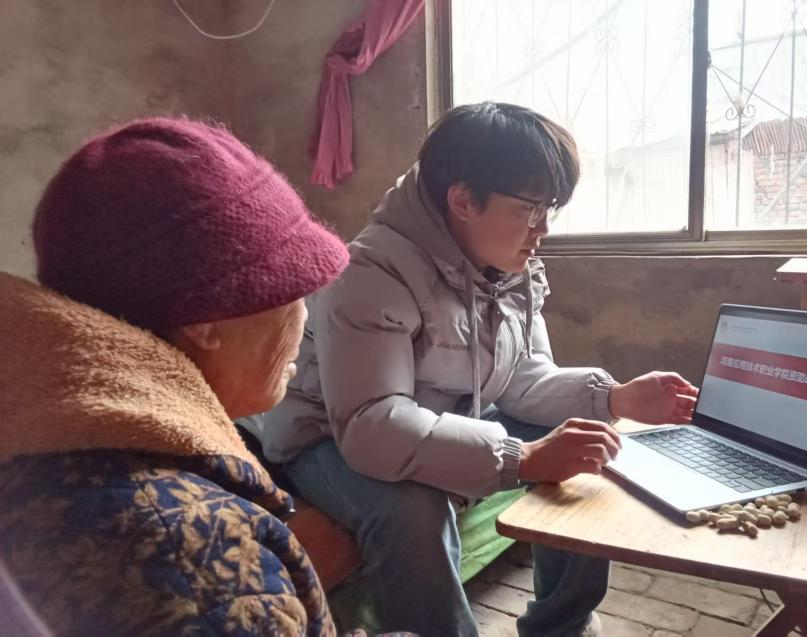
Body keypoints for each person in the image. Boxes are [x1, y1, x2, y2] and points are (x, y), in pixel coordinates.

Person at [255, 102, 699, 637]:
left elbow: (522, 378)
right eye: (530, 209)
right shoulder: (370, 274)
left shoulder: (508, 267)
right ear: (463, 200)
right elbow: (372, 424)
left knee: (586, 441)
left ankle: (562, 624)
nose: (543, 229)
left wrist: (614, 398)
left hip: (444, 413)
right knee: (413, 510)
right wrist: (521, 458)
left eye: (549, 209)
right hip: (328, 435)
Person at [0, 118, 350, 636]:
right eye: (291, 289)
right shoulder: (188, 559)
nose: (305, 314)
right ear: (206, 320)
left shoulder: (54, 431)